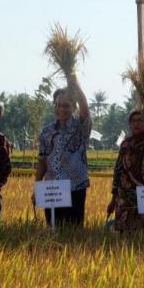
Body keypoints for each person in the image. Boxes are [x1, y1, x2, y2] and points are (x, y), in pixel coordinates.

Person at [35, 76, 91, 227]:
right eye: (58, 105)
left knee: (73, 232)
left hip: (75, 187)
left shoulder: (80, 127)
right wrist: (37, 187)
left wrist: (73, 80)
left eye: (66, 106)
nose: (61, 109)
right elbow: (42, 161)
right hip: (52, 189)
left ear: (74, 107)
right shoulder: (47, 131)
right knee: (52, 229)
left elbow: (85, 107)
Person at [107, 101, 144, 232]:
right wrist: (113, 199)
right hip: (126, 198)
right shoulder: (125, 144)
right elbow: (118, 171)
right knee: (124, 236)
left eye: (140, 120)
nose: (136, 123)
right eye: (133, 121)